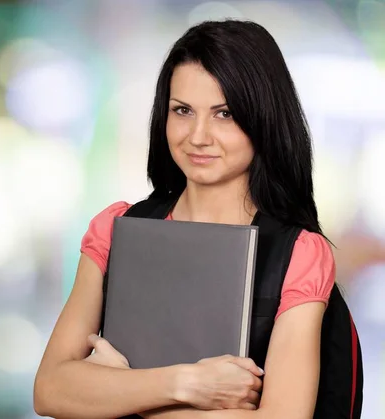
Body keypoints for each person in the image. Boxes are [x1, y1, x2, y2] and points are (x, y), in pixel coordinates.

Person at [33, 19, 362, 418]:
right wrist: (191, 385)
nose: (198, 136)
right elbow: (49, 391)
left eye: (224, 113)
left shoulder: (297, 253)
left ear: (263, 119)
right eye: (183, 110)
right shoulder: (116, 230)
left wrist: (120, 391)